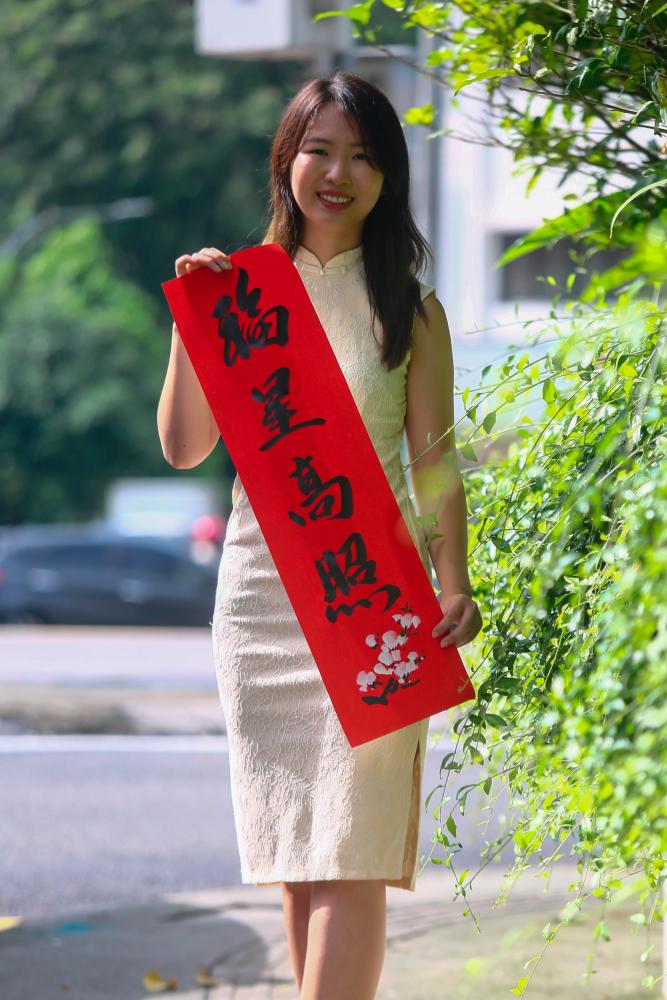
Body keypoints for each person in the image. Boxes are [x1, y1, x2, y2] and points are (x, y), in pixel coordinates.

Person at [157, 71, 482, 1000]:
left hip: (373, 603)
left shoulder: (409, 311)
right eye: (320, 150)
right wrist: (193, 322)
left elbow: (436, 464)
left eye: (364, 156)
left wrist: (451, 577)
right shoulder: (238, 294)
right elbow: (184, 448)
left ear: (389, 178)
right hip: (264, 602)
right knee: (298, 852)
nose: (339, 172)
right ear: (286, 160)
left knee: (351, 848)